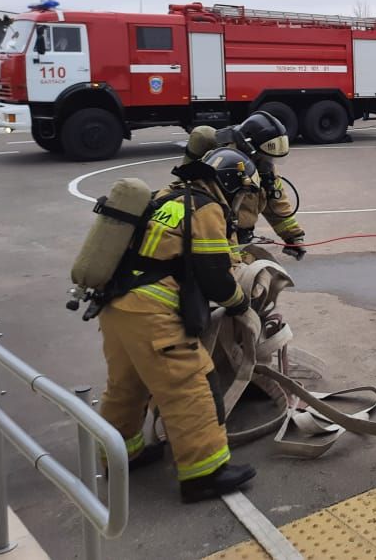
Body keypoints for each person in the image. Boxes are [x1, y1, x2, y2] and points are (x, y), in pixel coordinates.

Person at [97, 148, 259, 502]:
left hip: (114, 307)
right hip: (154, 314)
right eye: (243, 193)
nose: (241, 200)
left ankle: (122, 455)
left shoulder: (162, 198)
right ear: (231, 184)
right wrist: (240, 304)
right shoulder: (206, 208)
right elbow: (215, 274)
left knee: (126, 387)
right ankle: (204, 473)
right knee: (192, 385)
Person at [182, 112, 306, 259]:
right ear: (249, 147)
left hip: (241, 238)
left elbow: (276, 204)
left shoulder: (263, 167)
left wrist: (293, 236)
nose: (269, 162)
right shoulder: (223, 169)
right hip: (218, 240)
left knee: (271, 273)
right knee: (260, 276)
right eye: (265, 157)